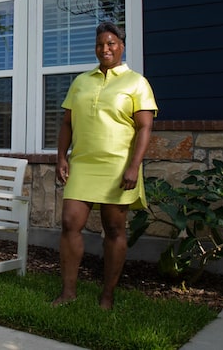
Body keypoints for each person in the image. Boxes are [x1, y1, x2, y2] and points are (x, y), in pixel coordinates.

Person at [53, 21, 157, 310]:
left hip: (117, 165)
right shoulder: (81, 81)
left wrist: (134, 166)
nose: (105, 48)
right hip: (83, 164)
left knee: (114, 229)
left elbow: (145, 127)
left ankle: (107, 296)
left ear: (121, 46)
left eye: (111, 43)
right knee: (70, 223)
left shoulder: (136, 82)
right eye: (100, 44)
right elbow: (66, 123)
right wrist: (61, 156)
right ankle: (68, 293)